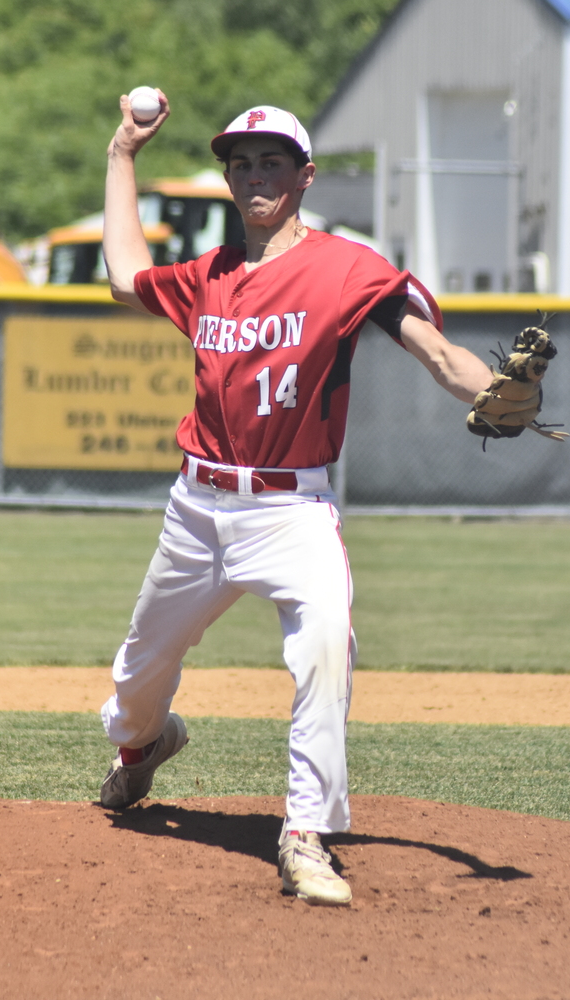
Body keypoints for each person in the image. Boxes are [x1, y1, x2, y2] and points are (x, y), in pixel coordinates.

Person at [95, 92, 494, 906]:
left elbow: (443, 356)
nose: (253, 176)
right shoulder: (210, 275)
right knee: (137, 680)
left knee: (324, 647)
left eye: (271, 160)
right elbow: (122, 278)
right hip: (198, 508)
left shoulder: (348, 267)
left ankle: (306, 834)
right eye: (240, 163)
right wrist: (122, 155)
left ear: (306, 176)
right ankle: (142, 747)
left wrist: (496, 394)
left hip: (292, 511)